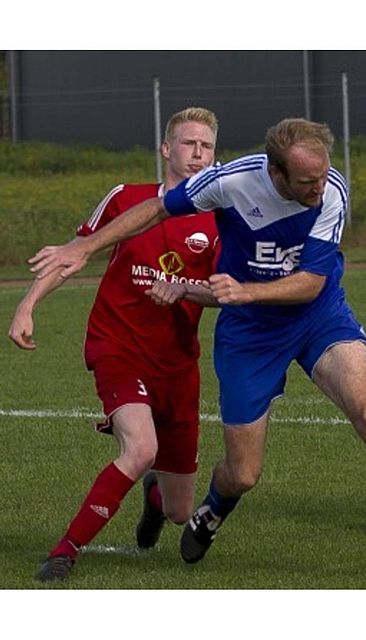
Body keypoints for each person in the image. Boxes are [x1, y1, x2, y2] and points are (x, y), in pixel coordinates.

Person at [30, 118, 366, 581]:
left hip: (317, 318)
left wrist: (246, 291)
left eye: (321, 176)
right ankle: (213, 511)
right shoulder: (231, 182)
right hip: (249, 337)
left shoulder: (330, 190)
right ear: (276, 174)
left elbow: (311, 284)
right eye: (306, 182)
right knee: (243, 473)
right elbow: (158, 209)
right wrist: (86, 247)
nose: (319, 187)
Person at [9, 107, 221, 582]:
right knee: (141, 447)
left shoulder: (221, 219)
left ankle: (153, 497)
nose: (197, 154)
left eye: (205, 146)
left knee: (178, 509)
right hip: (117, 346)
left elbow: (226, 294)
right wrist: (26, 305)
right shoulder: (127, 198)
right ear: (167, 149)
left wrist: (184, 288)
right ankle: (64, 552)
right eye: (188, 144)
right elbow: (74, 254)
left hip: (178, 364)